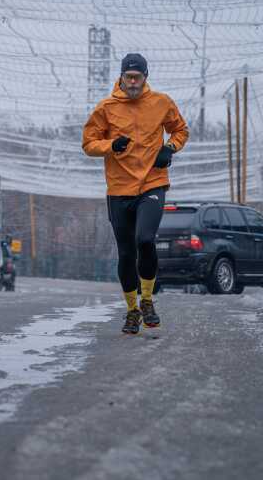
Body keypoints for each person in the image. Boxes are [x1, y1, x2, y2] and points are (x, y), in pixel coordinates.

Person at [82, 53, 189, 334]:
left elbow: (180, 130)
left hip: (152, 183)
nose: (132, 82)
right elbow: (88, 143)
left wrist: (170, 148)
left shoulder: (161, 102)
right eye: (128, 77)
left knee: (145, 240)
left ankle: (148, 300)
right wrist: (110, 146)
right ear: (120, 76)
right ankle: (131, 311)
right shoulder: (106, 107)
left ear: (145, 77)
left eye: (137, 77)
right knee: (127, 253)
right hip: (119, 188)